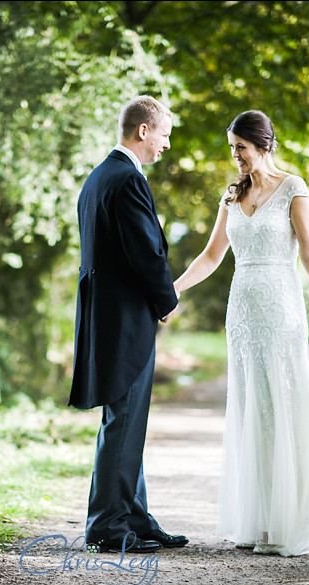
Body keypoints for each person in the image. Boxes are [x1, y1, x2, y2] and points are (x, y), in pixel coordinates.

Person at [172, 110, 309, 556]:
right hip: (242, 313)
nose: (236, 157)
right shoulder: (232, 196)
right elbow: (213, 256)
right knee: (250, 405)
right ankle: (256, 519)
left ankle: (283, 521)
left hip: (281, 310)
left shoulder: (294, 189)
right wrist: (172, 291)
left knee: (279, 404)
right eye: (232, 148)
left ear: (263, 145)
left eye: (242, 148)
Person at [68, 96, 186, 554]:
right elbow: (144, 252)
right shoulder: (126, 180)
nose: (166, 145)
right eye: (164, 134)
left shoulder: (98, 178)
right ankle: (107, 528)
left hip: (107, 318)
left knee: (126, 420)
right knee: (122, 420)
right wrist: (166, 300)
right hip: (126, 320)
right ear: (143, 131)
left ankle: (134, 517)